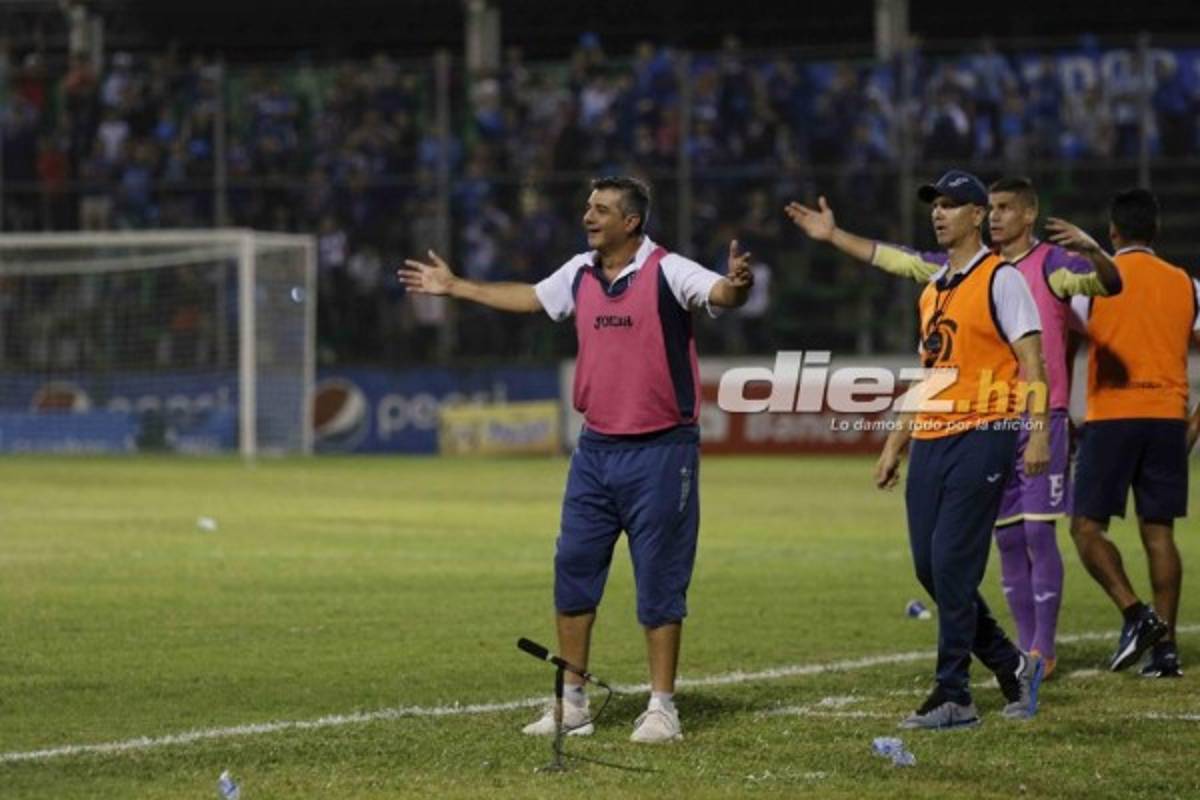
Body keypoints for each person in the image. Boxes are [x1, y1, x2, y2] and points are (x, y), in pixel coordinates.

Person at [399, 176, 753, 742]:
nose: (589, 215)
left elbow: (721, 295)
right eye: (589, 206)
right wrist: (457, 286)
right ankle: (573, 702)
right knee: (573, 573)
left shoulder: (668, 269)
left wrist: (739, 285)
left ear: (631, 221)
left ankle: (663, 707)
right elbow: (531, 297)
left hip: (663, 451)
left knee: (659, 580)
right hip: (595, 451)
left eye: (602, 209)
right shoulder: (580, 271)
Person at [787, 177, 1122, 679]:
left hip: (1035, 416)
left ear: (1021, 215)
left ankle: (1038, 651)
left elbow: (1108, 286)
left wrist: (1096, 251)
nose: (999, 216)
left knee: (1037, 533)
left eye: (1006, 208)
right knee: (1006, 541)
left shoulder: (1047, 265)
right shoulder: (946, 277)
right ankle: (1018, 654)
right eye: (937, 206)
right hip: (970, 423)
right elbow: (895, 259)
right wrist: (835, 237)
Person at [1068, 188, 1200, 678]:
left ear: (1112, 232)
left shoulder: (1092, 284)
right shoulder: (1187, 285)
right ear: (1157, 231)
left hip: (1112, 416)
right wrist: (1193, 425)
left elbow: (1063, 335)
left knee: (1085, 528)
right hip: (1167, 418)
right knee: (1159, 533)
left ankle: (1135, 613)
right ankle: (1165, 651)